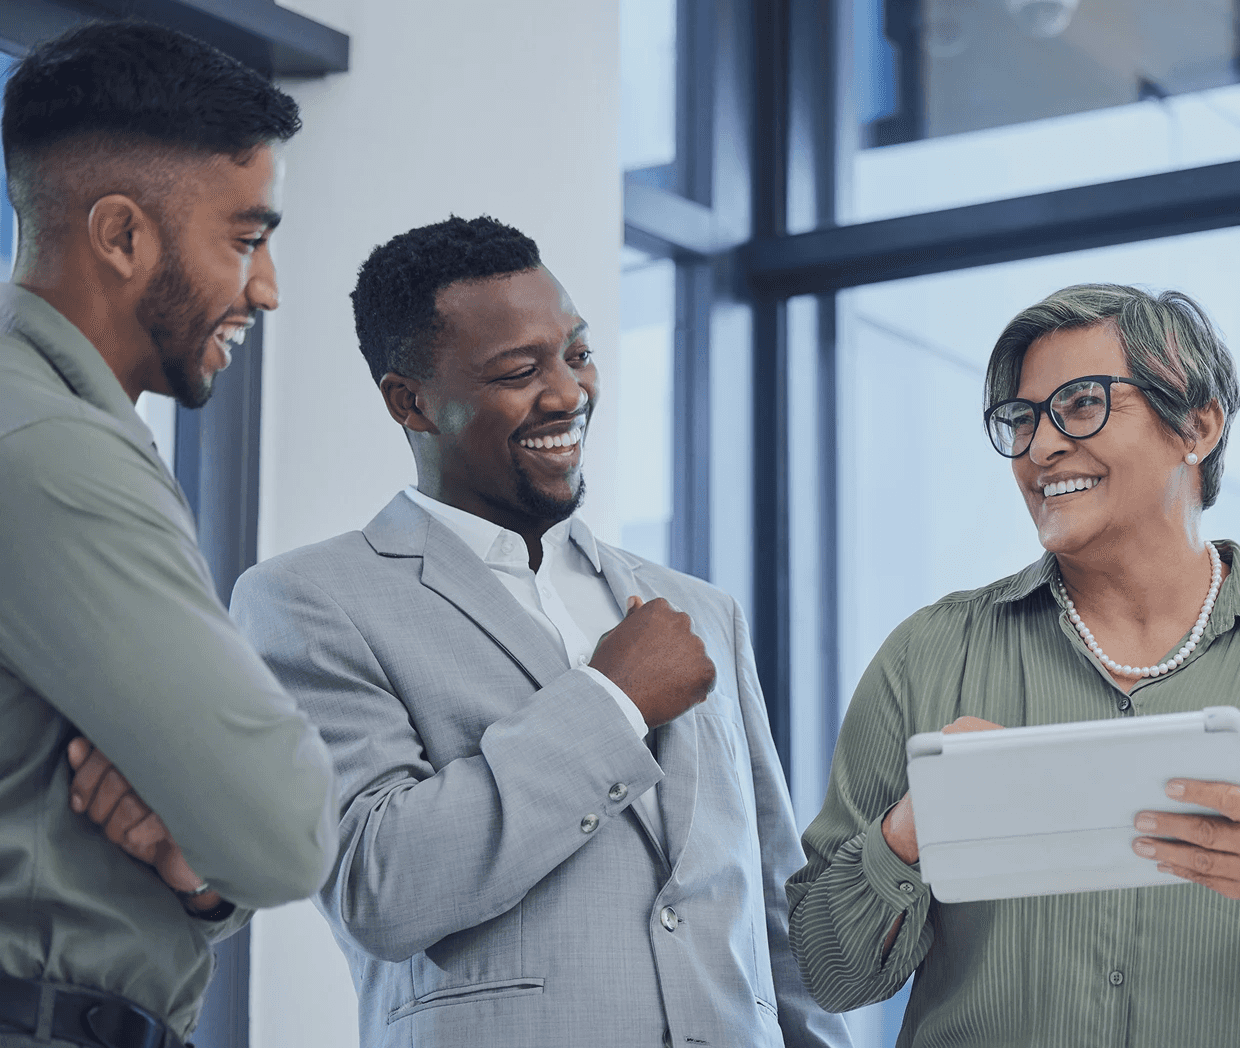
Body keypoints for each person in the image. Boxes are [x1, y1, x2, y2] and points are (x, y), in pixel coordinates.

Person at [227, 215, 851, 1048]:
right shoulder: (308, 601)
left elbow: (773, 909)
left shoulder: (698, 608)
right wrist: (611, 701)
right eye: (520, 371)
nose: (567, 394)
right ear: (408, 401)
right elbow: (378, 887)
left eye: (578, 355)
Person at [787, 284, 1240, 1047]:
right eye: (1021, 418)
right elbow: (828, 971)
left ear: (1197, 427)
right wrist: (912, 830)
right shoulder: (926, 656)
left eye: (1080, 405)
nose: (1040, 448)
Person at [0, 21, 337, 1048]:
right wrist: (223, 843)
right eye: (245, 238)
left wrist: (195, 871)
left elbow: (232, 840)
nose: (268, 287)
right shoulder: (46, 448)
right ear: (122, 235)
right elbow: (285, 831)